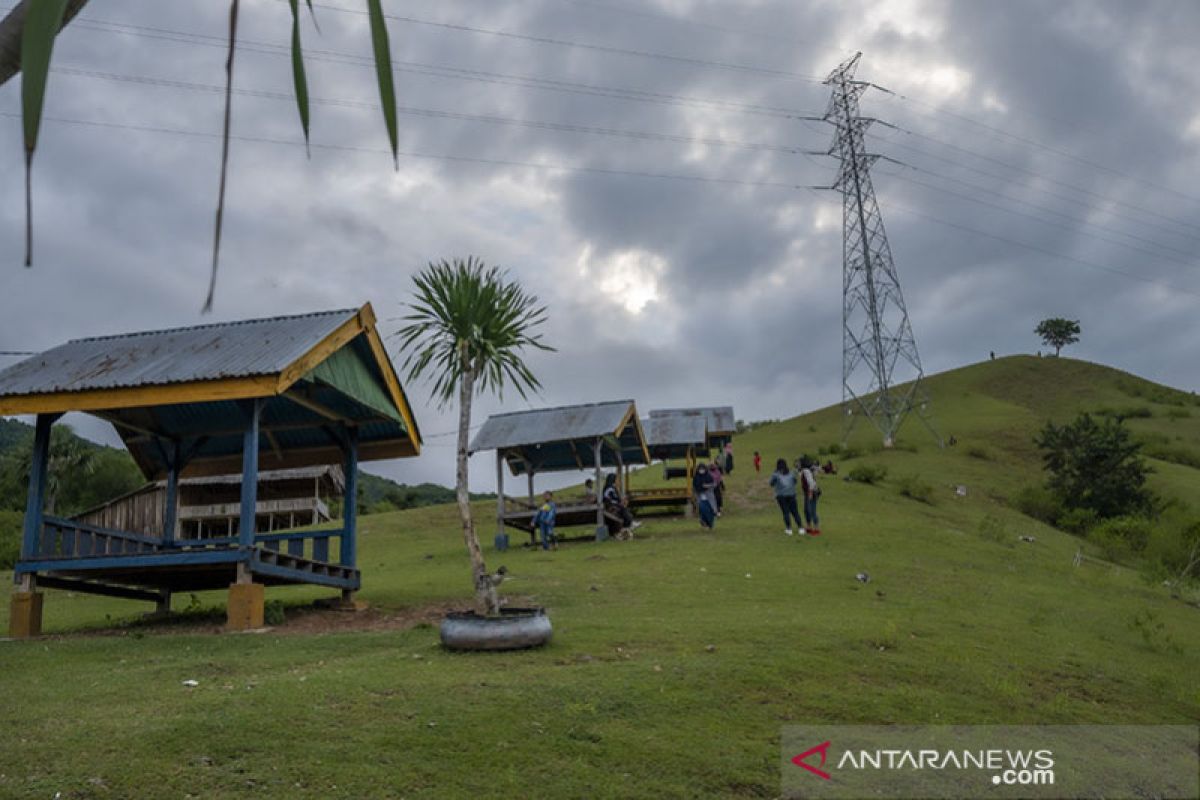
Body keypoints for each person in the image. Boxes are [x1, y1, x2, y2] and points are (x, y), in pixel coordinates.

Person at [769, 458, 804, 536]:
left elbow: (771, 483)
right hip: (791, 494)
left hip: (781, 495)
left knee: (786, 512)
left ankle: (789, 529)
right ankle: (801, 528)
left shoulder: (776, 474)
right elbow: (795, 481)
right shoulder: (791, 472)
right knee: (795, 512)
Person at [602, 473, 638, 539]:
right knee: (623, 508)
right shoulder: (610, 488)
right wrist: (621, 501)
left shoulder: (609, 487)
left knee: (624, 507)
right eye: (616, 479)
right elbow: (611, 498)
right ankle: (628, 524)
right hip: (611, 505)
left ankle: (628, 524)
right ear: (613, 479)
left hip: (612, 504)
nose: (617, 480)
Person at [799, 458, 821, 535]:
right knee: (806, 510)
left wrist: (810, 493)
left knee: (811, 510)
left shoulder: (806, 471)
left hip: (811, 492)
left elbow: (811, 483)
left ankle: (816, 528)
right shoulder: (805, 471)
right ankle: (809, 526)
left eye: (799, 463)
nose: (798, 464)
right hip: (808, 492)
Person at [693, 463, 716, 529]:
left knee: (710, 512)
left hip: (709, 497)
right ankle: (704, 522)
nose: (701, 470)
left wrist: (707, 486)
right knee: (703, 511)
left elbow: (714, 484)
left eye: (703, 469)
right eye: (700, 469)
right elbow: (695, 486)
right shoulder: (696, 477)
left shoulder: (708, 476)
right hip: (700, 497)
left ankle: (710, 524)